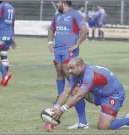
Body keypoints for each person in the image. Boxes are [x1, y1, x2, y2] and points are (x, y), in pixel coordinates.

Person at [51, 57, 129, 130]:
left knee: (103, 126)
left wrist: (62, 109)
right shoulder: (75, 74)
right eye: (68, 68)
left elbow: (79, 96)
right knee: (75, 90)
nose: (69, 71)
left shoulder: (89, 75)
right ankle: (82, 123)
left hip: (113, 96)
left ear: (81, 67)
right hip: (97, 94)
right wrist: (56, 107)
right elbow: (66, 92)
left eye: (72, 68)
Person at [47, 0, 88, 130]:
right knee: (59, 71)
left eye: (58, 2)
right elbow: (51, 29)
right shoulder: (57, 15)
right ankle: (60, 98)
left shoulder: (75, 15)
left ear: (64, 2)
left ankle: (76, 95)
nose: (57, 4)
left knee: (68, 72)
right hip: (57, 50)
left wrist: (77, 44)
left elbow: (85, 30)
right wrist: (49, 42)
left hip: (69, 50)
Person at [0, 1, 16, 86]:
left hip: (1, 35)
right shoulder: (12, 8)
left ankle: (5, 74)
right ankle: (4, 80)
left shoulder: (0, 6)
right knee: (3, 55)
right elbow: (12, 24)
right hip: (9, 35)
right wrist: (12, 37)